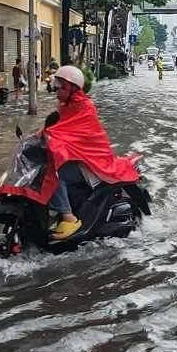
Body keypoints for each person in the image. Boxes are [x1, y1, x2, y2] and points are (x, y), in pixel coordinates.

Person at [39, 65, 141, 240]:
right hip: (79, 160)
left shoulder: (85, 107)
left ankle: (69, 218)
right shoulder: (65, 106)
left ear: (72, 88)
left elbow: (69, 134)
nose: (56, 90)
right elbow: (58, 129)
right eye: (57, 86)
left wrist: (50, 138)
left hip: (92, 163)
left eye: (61, 87)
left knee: (54, 175)